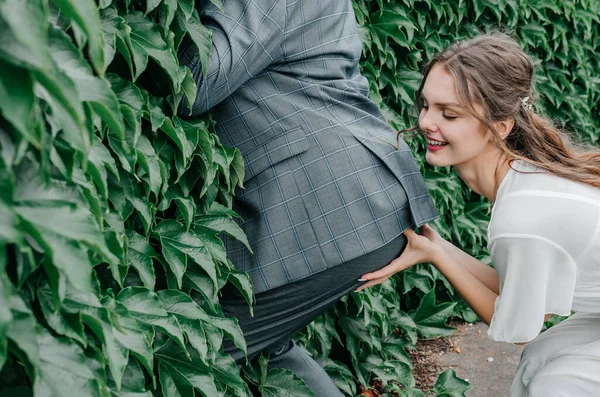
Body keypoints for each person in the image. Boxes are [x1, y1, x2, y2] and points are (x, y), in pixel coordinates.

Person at [177, 0, 438, 395]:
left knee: (187, 356)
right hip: (359, 196)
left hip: (331, 207)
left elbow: (190, 84)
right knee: (267, 345)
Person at [358, 33, 600, 396]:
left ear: (500, 127)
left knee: (556, 384)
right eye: (425, 105)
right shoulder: (523, 180)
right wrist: (437, 248)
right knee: (541, 360)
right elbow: (521, 292)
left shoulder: (521, 215)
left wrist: (439, 257)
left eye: (448, 113)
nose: (425, 122)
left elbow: (518, 326)